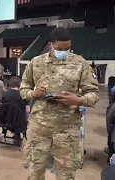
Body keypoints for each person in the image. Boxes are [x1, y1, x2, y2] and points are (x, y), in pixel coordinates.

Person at [20, 27, 99, 180]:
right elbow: (24, 89)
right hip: (39, 128)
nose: (63, 51)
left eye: (67, 48)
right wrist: (33, 94)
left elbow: (94, 93)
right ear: (50, 44)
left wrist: (79, 100)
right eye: (59, 48)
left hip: (67, 129)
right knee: (35, 172)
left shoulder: (80, 63)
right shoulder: (36, 63)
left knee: (66, 174)